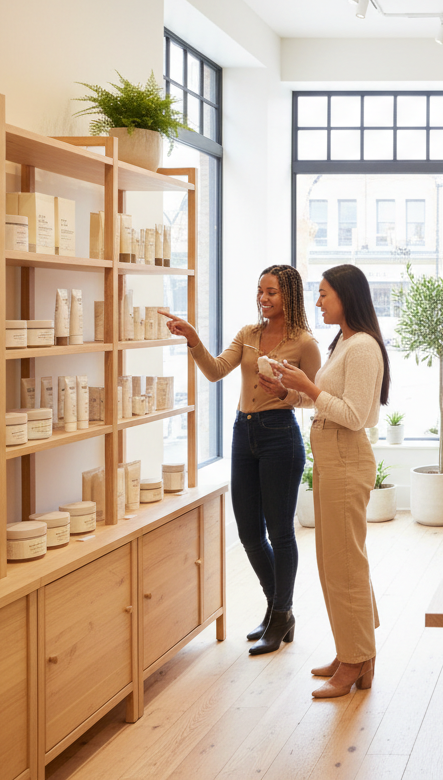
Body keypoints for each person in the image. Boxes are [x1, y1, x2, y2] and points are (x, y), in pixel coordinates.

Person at [161, 264, 320, 655]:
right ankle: (277, 608)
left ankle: (281, 613)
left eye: (272, 293)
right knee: (249, 533)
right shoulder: (248, 335)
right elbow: (215, 371)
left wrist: (283, 391)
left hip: (280, 435)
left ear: (290, 297)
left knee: (280, 532)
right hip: (242, 432)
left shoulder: (305, 343)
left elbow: (314, 397)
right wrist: (193, 339)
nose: (263, 298)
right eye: (260, 291)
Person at [261, 264, 390, 699]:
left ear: (346, 297)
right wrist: (288, 391)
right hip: (333, 456)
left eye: (323, 294)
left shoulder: (363, 349)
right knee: (337, 560)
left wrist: (310, 390)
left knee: (344, 562)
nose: (317, 302)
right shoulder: (345, 343)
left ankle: (355, 660)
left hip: (346, 456)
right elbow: (326, 403)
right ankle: (354, 651)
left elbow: (354, 415)